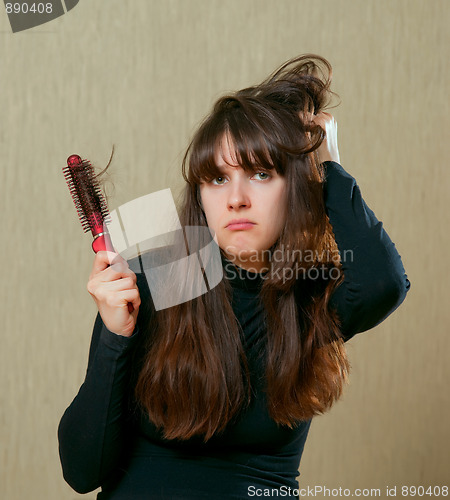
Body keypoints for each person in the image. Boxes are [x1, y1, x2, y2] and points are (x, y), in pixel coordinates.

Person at [58, 54, 410, 499]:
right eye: (217, 179)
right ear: (200, 194)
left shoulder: (311, 294)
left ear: (300, 184)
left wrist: (327, 164)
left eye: (262, 174)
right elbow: (81, 471)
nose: (236, 199)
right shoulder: (157, 279)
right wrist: (115, 337)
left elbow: (385, 283)